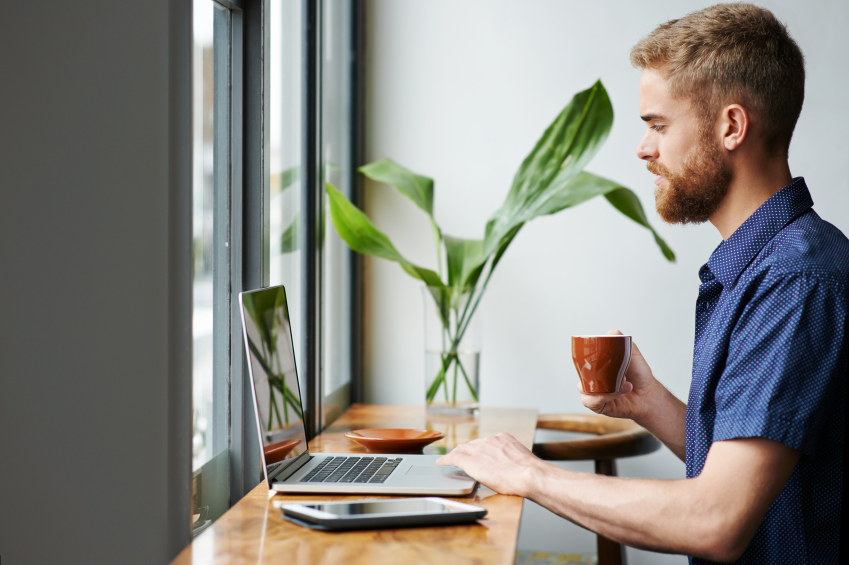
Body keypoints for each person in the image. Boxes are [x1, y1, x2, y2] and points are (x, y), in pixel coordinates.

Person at [437, 4, 846, 563]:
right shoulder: (767, 265)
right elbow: (755, 470)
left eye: (658, 125)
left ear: (731, 126)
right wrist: (651, 405)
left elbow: (716, 520)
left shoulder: (795, 281)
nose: (643, 149)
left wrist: (528, 474)